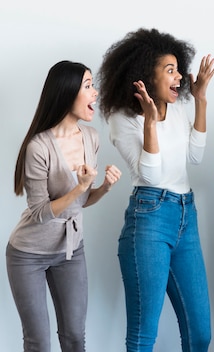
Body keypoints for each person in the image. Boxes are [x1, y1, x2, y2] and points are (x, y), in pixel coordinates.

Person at [96, 28, 214, 352]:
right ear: (146, 76)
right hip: (149, 218)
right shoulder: (122, 119)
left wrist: (201, 99)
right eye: (170, 70)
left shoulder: (177, 107)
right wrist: (150, 123)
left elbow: (196, 155)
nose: (180, 77)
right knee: (143, 336)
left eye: (178, 69)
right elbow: (151, 175)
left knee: (200, 333)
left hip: (185, 216)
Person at [6, 60, 122, 352]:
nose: (95, 93)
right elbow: (39, 212)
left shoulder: (90, 138)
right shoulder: (39, 146)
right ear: (66, 92)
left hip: (70, 250)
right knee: (38, 343)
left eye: (93, 85)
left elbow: (80, 203)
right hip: (28, 255)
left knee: (73, 338)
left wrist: (103, 188)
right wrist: (80, 188)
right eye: (87, 86)